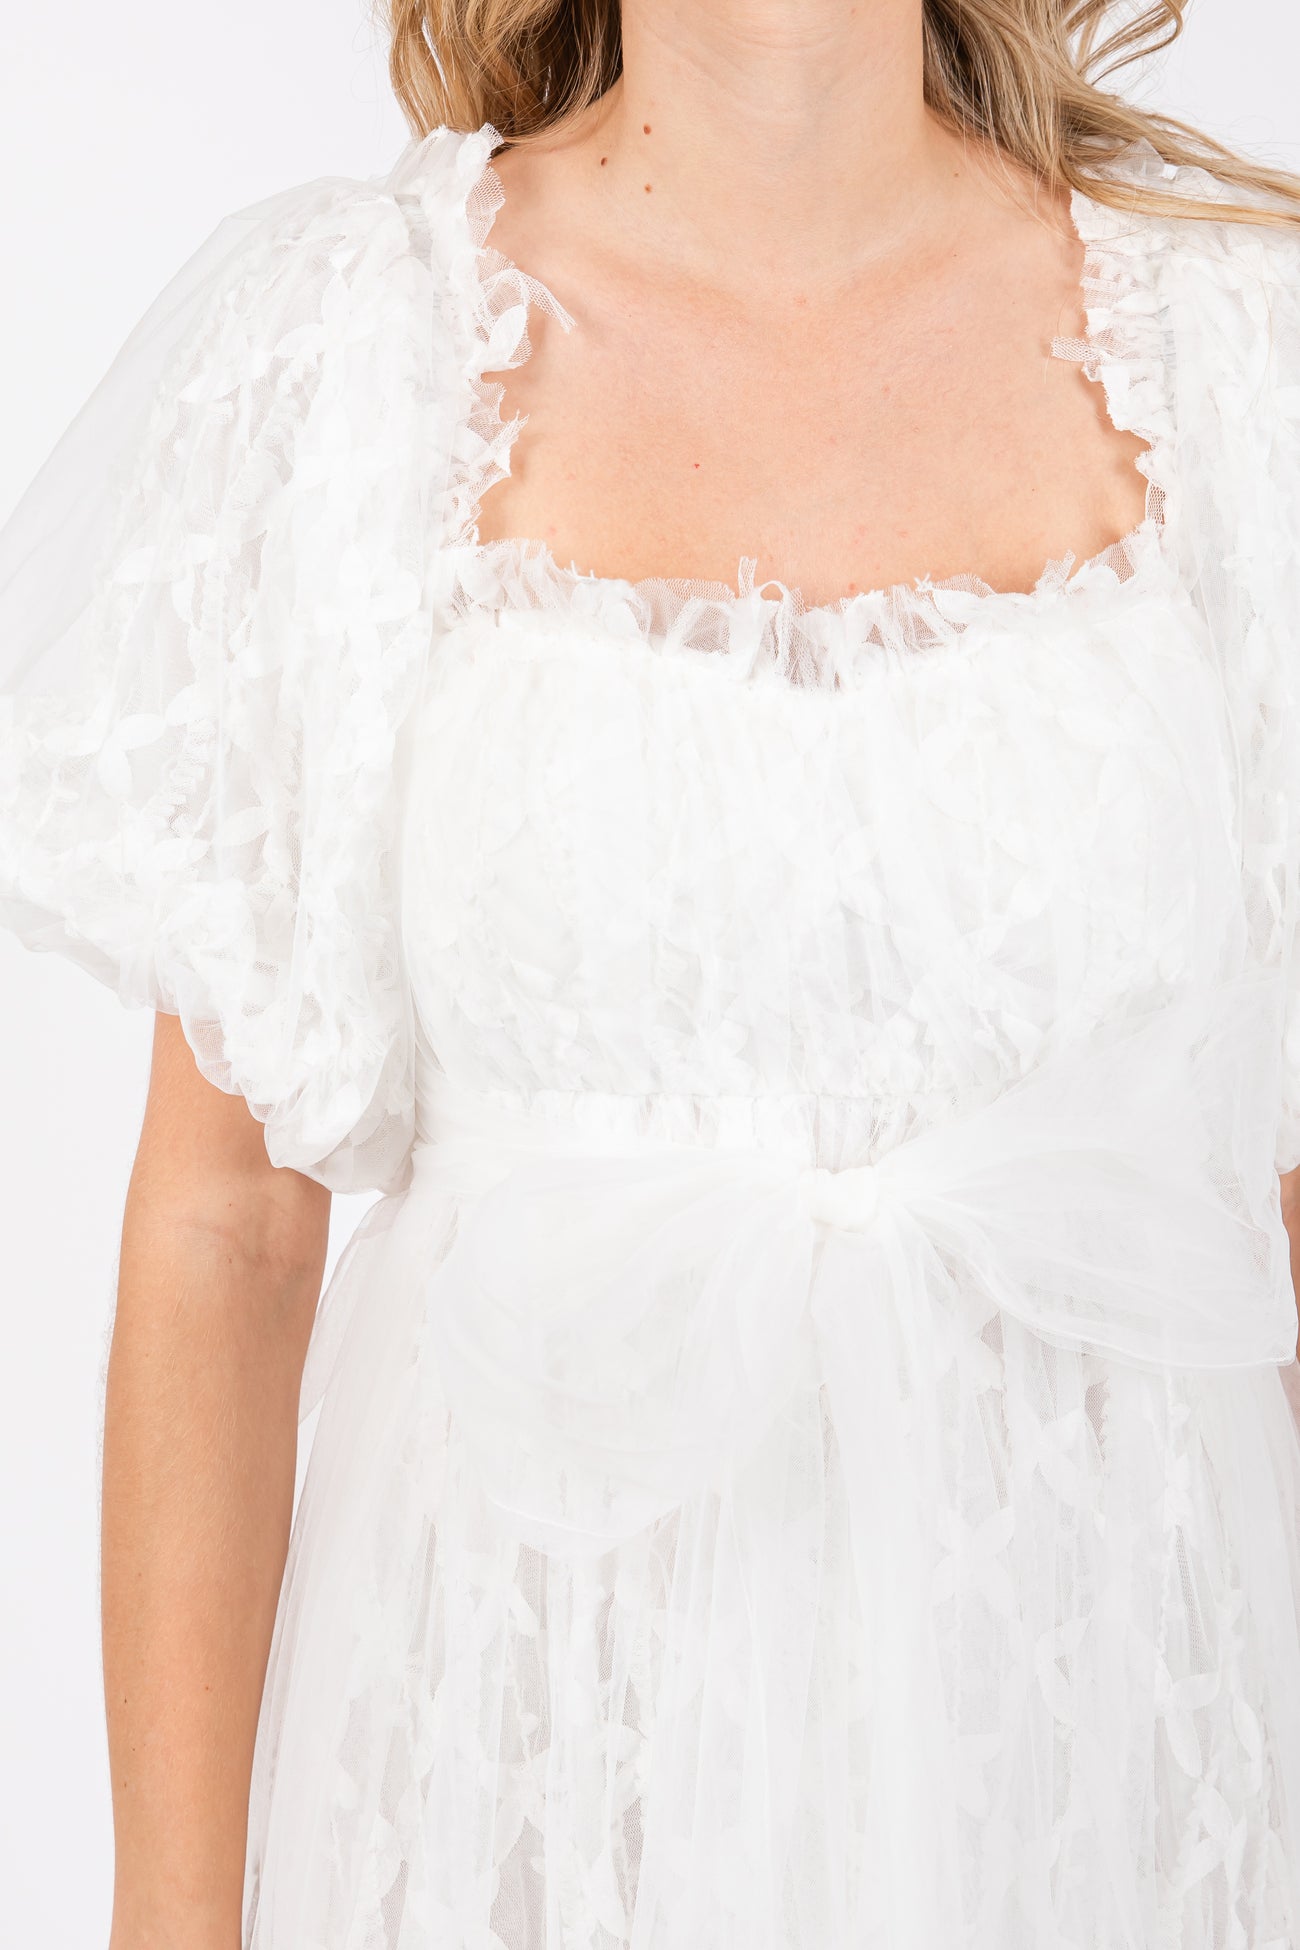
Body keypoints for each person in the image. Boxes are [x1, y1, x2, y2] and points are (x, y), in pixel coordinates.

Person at [3, 1, 1300, 1944]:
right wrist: (168, 1924)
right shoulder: (352, 354)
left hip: (1105, 1765)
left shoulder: (1238, 364)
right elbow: (227, 1223)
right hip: (519, 1766)